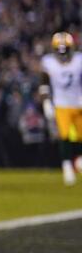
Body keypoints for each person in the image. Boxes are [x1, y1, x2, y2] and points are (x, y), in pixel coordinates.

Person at [39, 32, 82, 186]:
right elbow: (43, 85)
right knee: (64, 136)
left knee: (79, 137)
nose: (63, 56)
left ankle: (77, 161)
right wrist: (46, 103)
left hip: (78, 103)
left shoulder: (79, 60)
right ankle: (67, 167)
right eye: (59, 51)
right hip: (61, 104)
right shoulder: (48, 62)